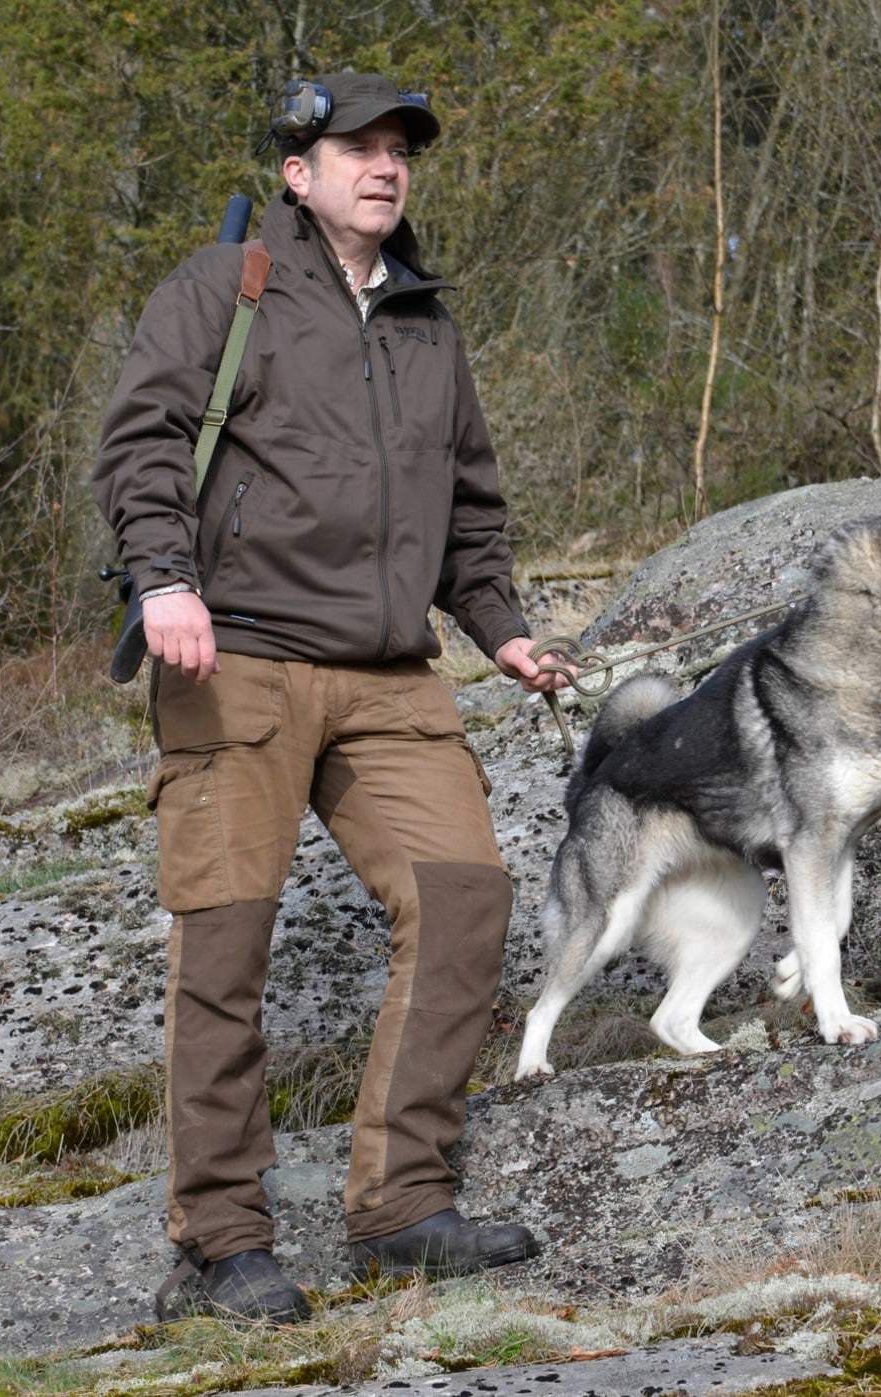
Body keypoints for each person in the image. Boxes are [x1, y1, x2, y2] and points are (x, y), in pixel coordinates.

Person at [93, 73, 566, 1324]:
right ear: (298, 171)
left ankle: (402, 1206)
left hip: (389, 673)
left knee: (465, 899)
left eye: (400, 147)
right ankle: (218, 1242)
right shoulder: (226, 287)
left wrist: (505, 632)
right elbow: (141, 439)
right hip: (230, 656)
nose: (386, 164)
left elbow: (469, 505)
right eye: (356, 146)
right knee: (224, 944)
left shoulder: (425, 322)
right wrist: (162, 580)